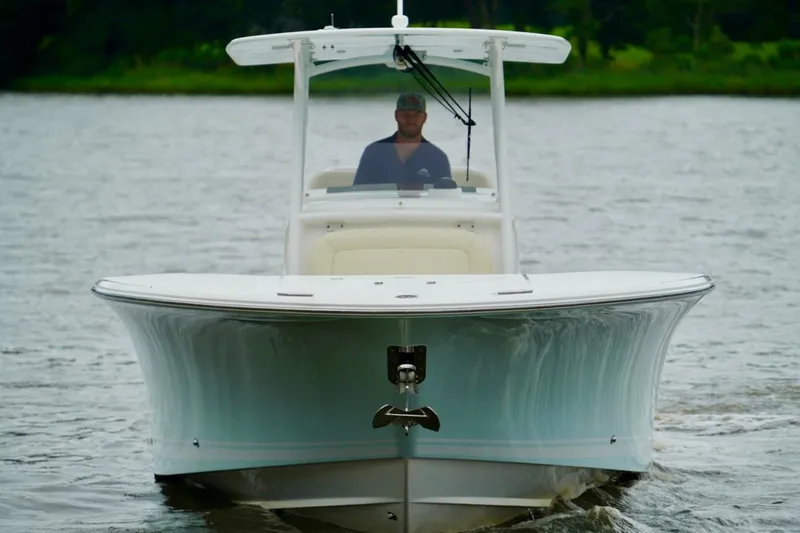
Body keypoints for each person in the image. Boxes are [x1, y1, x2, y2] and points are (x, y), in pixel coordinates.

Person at [353, 92, 452, 188]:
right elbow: (359, 193)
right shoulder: (373, 152)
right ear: (396, 115)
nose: (410, 120)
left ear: (425, 117)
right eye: (405, 114)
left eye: (417, 115)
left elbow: (445, 198)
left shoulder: (438, 158)